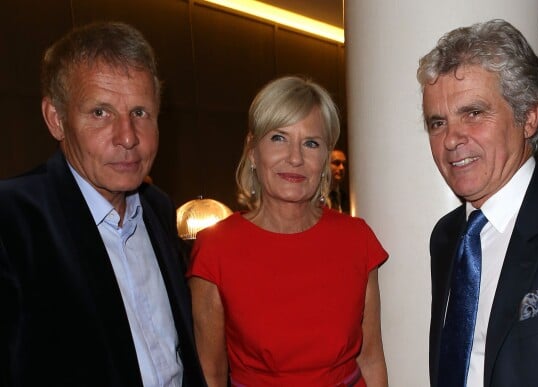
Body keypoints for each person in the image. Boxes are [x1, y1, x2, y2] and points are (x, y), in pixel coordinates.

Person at [0, 22, 205, 386]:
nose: (128, 137)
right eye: (100, 113)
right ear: (56, 119)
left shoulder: (158, 207)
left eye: (140, 112)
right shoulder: (13, 219)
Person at [188, 76, 389, 386]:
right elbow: (210, 373)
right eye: (279, 138)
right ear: (253, 151)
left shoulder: (357, 239)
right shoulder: (215, 248)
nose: (295, 158)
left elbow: (371, 357)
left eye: (311, 143)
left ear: (324, 158)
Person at [417, 19, 538, 387]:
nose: (452, 139)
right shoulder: (446, 237)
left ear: (530, 118)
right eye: (437, 122)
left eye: (473, 113)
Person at [328, 148, 351, 214]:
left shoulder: (347, 199)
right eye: (337, 163)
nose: (342, 168)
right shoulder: (314, 197)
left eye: (344, 164)